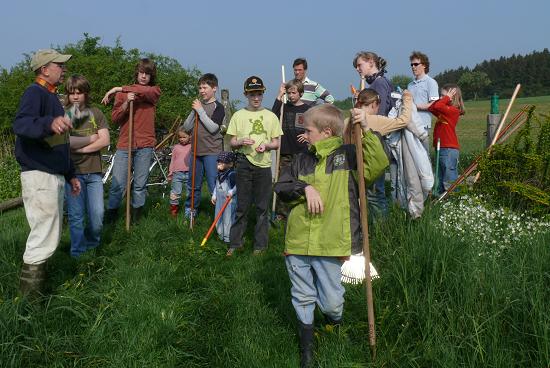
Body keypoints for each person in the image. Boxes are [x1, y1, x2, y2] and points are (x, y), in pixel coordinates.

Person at [274, 104, 387, 367]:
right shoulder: (302, 159)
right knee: (302, 295)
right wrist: (305, 188)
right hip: (299, 240)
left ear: (326, 132)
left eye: (309, 130)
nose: (305, 134)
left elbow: (378, 163)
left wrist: (367, 129)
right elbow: (282, 185)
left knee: (332, 303)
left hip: (331, 242)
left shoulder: (348, 156)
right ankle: (307, 350)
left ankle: (333, 325)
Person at [13, 49, 81, 296]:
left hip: (52, 174)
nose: (63, 70)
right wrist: (47, 123)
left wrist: (70, 173)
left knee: (49, 235)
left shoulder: (52, 97)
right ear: (44, 69)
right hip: (39, 174)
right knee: (43, 236)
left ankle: (34, 296)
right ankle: (29, 305)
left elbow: (60, 144)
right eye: (59, 65)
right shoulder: (35, 92)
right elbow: (20, 124)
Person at [225, 76, 283, 256]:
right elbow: (231, 142)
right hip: (243, 163)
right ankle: (236, 243)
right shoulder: (238, 115)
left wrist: (266, 145)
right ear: (246, 95)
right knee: (242, 206)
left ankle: (260, 246)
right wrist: (241, 140)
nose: (256, 98)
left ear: (263, 94)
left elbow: (276, 143)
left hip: (264, 165)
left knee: (262, 207)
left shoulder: (271, 116)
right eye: (252, 95)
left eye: (259, 94)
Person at [101, 58, 161, 223]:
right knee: (117, 185)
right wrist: (126, 102)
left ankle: (136, 219)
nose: (143, 76)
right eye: (141, 73)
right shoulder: (122, 95)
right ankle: (111, 217)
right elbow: (115, 119)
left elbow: (147, 93)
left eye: (147, 74)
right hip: (125, 143)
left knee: (140, 185)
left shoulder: (154, 91)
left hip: (145, 144)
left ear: (151, 76)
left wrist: (116, 88)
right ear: (137, 73)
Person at [64, 75, 110, 257]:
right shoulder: (64, 114)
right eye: (71, 93)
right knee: (76, 216)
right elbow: (65, 141)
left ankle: (91, 245)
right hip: (72, 173)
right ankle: (77, 253)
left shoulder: (96, 113)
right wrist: (92, 139)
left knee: (98, 215)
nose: (75, 96)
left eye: (79, 93)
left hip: (94, 173)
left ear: (86, 94)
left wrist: (81, 149)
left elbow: (105, 140)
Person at [353, 51, 395, 217]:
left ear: (371, 62)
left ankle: (381, 231)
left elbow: (380, 114)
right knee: (371, 193)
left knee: (375, 194)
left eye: (359, 65)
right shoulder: (373, 84)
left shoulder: (380, 84)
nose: (357, 69)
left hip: (376, 141)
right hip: (371, 140)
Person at [182, 73, 225, 219]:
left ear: (214, 88)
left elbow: (213, 128)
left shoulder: (218, 107)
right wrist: (194, 111)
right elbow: (186, 127)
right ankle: (191, 210)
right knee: (193, 184)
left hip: (212, 151)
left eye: (205, 87)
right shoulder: (198, 106)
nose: (202, 91)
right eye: (200, 88)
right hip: (195, 151)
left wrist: (200, 111)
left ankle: (218, 213)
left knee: (214, 184)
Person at [271, 78, 310, 220]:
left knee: (301, 181)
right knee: (284, 181)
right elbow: (272, 115)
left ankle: (299, 209)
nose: (291, 95)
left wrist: (307, 135)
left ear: (301, 93)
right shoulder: (284, 107)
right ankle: (281, 213)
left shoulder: (307, 109)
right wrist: (279, 95)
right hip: (285, 150)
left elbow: (313, 126)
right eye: (289, 93)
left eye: (293, 92)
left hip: (302, 152)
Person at [428, 84, 465, 195]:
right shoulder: (444, 109)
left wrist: (446, 99)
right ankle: (440, 197)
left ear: (452, 97)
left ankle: (452, 198)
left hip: (449, 148)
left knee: (449, 177)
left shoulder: (453, 110)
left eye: (443, 95)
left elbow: (438, 106)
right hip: (442, 147)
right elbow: (432, 108)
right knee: (440, 175)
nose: (441, 98)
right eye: (440, 95)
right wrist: (443, 98)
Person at [407, 51, 439, 152]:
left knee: (424, 156)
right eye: (411, 64)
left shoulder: (431, 82)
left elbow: (434, 105)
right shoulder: (410, 85)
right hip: (409, 124)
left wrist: (415, 106)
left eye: (416, 64)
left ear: (424, 65)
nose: (413, 67)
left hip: (422, 125)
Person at [211, 151, 237, 244]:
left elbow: (237, 186)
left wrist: (231, 192)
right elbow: (216, 186)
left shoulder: (231, 174)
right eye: (219, 161)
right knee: (218, 217)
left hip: (229, 201)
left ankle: (228, 238)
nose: (219, 163)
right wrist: (214, 195)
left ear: (230, 164)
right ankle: (220, 235)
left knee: (228, 219)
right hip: (219, 200)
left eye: (222, 162)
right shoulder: (219, 174)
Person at [168, 126, 191, 217]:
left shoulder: (192, 147)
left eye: (184, 137)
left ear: (190, 136)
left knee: (190, 192)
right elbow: (172, 160)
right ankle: (173, 211)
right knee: (175, 192)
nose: (181, 139)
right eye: (179, 137)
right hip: (177, 173)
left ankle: (189, 212)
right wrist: (170, 173)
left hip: (189, 173)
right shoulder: (176, 147)